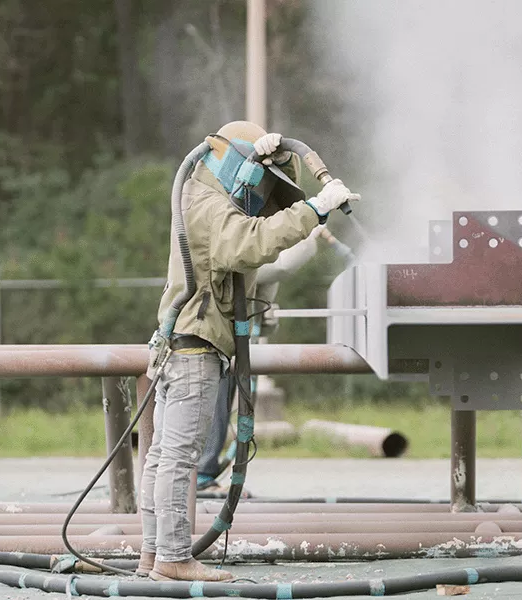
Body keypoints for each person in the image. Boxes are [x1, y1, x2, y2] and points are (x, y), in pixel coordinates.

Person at [137, 121, 360, 582]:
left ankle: (153, 555)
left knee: (161, 457)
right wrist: (316, 208)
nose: (259, 190)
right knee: (177, 460)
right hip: (195, 351)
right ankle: (174, 559)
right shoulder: (213, 209)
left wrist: (280, 164)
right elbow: (250, 244)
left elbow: (264, 225)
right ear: (238, 166)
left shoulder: (200, 196)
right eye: (256, 176)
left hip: (180, 347)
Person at [196, 227, 325, 492]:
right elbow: (280, 266)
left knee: (218, 405)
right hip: (206, 337)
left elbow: (264, 273)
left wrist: (263, 322)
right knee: (209, 404)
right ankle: (197, 477)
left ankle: (202, 475)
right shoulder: (229, 230)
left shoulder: (246, 231)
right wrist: (310, 234)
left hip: (224, 338)